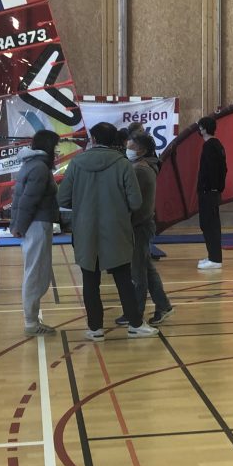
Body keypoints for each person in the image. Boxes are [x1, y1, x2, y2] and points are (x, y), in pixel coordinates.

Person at [57, 122, 158, 340]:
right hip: (117, 229)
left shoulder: (76, 163)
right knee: (123, 279)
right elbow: (135, 201)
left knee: (90, 280)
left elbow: (62, 198)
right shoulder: (123, 164)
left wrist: (83, 204)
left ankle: (95, 329)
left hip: (85, 229)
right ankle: (135, 324)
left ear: (93, 139)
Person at [115, 132, 173, 326]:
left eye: (131, 147)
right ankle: (163, 305)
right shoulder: (143, 166)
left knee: (138, 274)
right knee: (146, 269)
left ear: (142, 150)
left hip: (139, 226)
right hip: (141, 224)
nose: (128, 150)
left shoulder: (140, 170)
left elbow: (131, 200)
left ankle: (135, 313)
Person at [10, 129, 60, 337]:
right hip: (37, 225)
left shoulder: (32, 164)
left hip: (36, 224)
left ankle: (32, 319)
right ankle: (31, 322)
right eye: (55, 146)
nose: (57, 150)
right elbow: (28, 201)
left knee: (37, 272)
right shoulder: (39, 167)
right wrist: (19, 226)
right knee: (35, 273)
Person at [196, 116, 227, 270]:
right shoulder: (216, 144)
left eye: (200, 127)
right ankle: (212, 256)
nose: (199, 129)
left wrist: (212, 188)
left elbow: (213, 170)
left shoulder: (210, 146)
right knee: (208, 224)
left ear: (204, 129)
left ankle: (215, 259)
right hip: (211, 192)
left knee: (210, 225)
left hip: (209, 192)